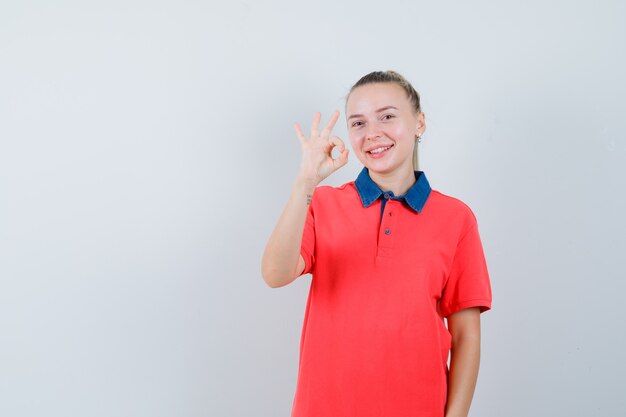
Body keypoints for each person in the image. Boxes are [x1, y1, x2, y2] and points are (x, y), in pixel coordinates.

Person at [261, 70, 493, 417]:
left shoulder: (456, 219)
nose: (372, 134)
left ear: (419, 123)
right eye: (358, 123)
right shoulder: (322, 204)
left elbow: (466, 338)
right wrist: (304, 183)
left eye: (387, 116)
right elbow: (275, 274)